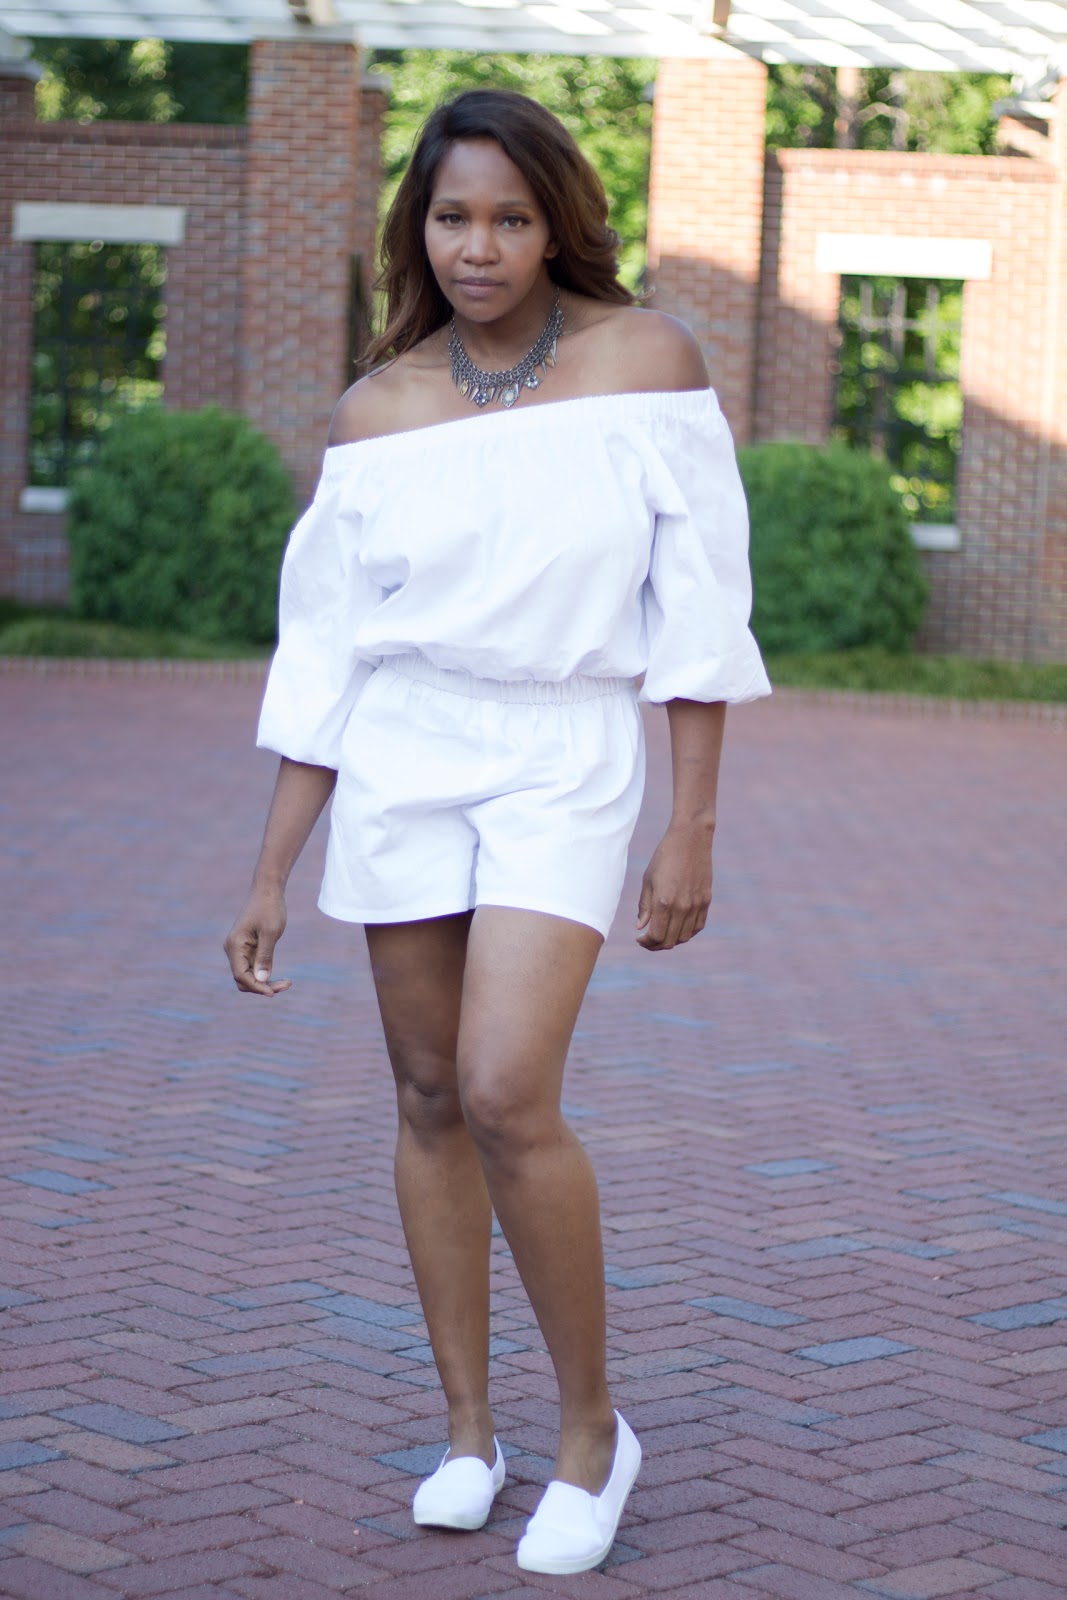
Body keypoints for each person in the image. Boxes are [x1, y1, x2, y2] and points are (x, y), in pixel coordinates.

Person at [224, 87, 770, 1577]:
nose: (480, 248)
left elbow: (698, 613)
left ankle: (593, 1433)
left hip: (565, 751)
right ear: (419, 228)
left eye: (511, 218)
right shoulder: (376, 411)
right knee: (423, 1094)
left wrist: (691, 823)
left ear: (555, 224)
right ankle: (470, 1433)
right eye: (454, 218)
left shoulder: (647, 362)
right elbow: (324, 661)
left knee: (504, 1087)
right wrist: (271, 870)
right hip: (406, 751)